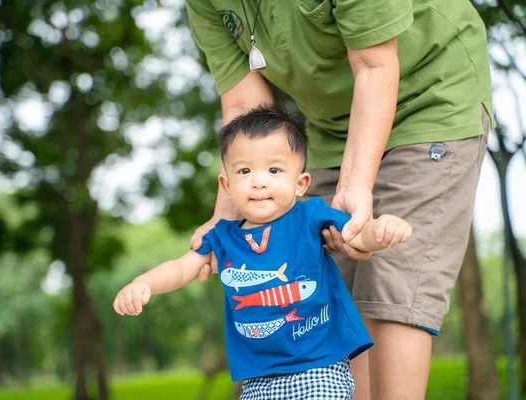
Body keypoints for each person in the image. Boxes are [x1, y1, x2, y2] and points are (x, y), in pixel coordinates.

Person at [184, 0, 493, 398]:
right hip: (333, 124)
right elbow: (245, 109)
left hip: (430, 95)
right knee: (325, 287)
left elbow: (374, 63)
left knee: (391, 284)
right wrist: (225, 216)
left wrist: (354, 186)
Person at [114, 106, 412, 399]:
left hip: (318, 365)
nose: (259, 181)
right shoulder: (222, 236)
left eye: (274, 169)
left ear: (300, 184)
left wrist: (380, 230)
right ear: (226, 186)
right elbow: (182, 268)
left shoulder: (310, 216)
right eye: (245, 170)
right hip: (258, 376)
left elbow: (356, 235)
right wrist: (145, 283)